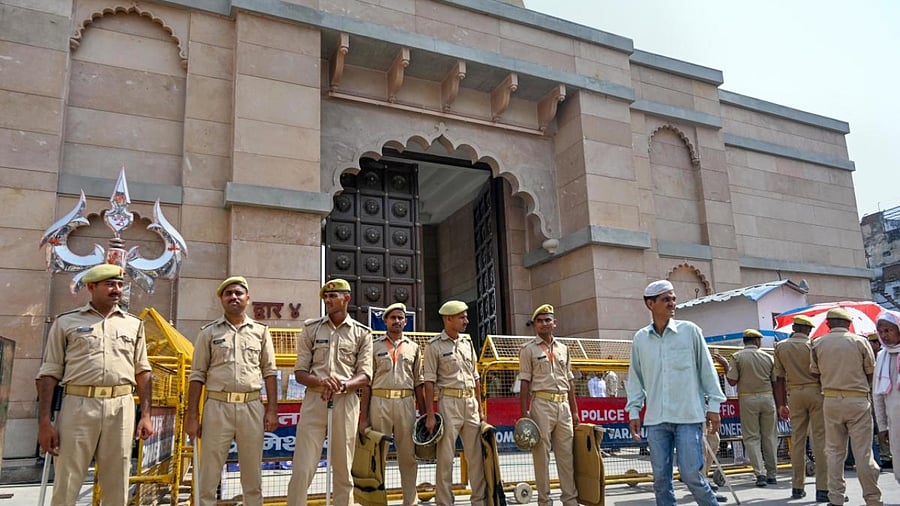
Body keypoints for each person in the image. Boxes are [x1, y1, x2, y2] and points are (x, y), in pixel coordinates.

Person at [36, 263, 154, 506]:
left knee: (117, 481)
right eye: (110, 284)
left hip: (121, 406)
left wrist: (146, 415)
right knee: (67, 479)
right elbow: (49, 373)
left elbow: (143, 371)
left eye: (120, 285)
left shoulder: (133, 324)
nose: (117, 289)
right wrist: (44, 422)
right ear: (91, 286)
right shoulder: (66, 323)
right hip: (78, 405)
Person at [626, 280, 726, 506]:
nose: (672, 303)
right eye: (665, 299)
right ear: (650, 304)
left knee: (692, 475)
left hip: (688, 417)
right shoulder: (640, 339)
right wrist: (634, 410)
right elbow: (635, 378)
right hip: (656, 421)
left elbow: (707, 371)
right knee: (661, 480)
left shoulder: (690, 332)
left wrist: (714, 408)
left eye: (673, 298)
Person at [184, 276, 279, 506]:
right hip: (217, 407)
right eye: (228, 294)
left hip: (251, 406)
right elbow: (197, 376)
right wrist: (192, 415)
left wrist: (272, 410)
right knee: (209, 472)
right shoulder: (208, 333)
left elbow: (270, 372)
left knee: (252, 472)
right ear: (221, 299)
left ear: (248, 298)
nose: (233, 297)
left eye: (238, 293)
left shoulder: (261, 332)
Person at [287, 279, 373, 506]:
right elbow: (300, 372)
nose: (327, 300)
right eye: (325, 296)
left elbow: (365, 375)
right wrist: (321, 381)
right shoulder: (311, 328)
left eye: (333, 296)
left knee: (344, 469)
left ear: (347, 298)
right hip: (315, 400)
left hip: (346, 402)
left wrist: (342, 385)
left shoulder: (362, 333)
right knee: (302, 467)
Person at [810, 308, 882, 506]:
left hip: (831, 400)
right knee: (863, 453)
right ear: (849, 324)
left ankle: (836, 498)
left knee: (834, 452)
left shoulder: (817, 343)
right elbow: (871, 373)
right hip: (858, 400)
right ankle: (873, 499)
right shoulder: (860, 341)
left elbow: (815, 374)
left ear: (828, 324)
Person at [358, 302, 425, 506]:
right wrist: (363, 417)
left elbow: (419, 382)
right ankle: (377, 501)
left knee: (408, 456)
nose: (396, 321)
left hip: (406, 403)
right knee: (378, 456)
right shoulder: (374, 346)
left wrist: (423, 414)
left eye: (400, 318)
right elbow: (367, 384)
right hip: (380, 402)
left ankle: (410, 501)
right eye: (392, 317)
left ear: (406, 321)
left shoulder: (414, 348)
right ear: (385, 320)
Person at [424, 300, 485, 506]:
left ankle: (479, 500)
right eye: (462, 317)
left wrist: (480, 407)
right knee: (445, 457)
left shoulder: (467, 343)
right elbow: (429, 382)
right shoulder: (434, 346)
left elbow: (476, 378)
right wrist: (431, 415)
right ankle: (444, 501)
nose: (466, 321)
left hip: (470, 404)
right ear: (448, 319)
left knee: (475, 456)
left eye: (466, 316)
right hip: (448, 403)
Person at [518, 304, 579, 506]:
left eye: (548, 320)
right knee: (541, 456)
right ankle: (544, 500)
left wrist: (575, 410)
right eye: (540, 320)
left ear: (555, 323)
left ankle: (570, 500)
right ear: (534, 325)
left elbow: (570, 381)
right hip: (541, 404)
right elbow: (524, 382)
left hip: (563, 406)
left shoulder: (564, 349)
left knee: (566, 456)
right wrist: (524, 412)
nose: (544, 323)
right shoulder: (528, 350)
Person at [774, 314, 828, 501]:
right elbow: (821, 373)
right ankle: (823, 489)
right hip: (815, 392)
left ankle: (797, 487)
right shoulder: (814, 345)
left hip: (794, 394)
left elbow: (779, 378)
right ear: (808, 330)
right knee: (820, 440)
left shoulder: (780, 347)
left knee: (797, 441)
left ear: (794, 328)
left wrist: (781, 404)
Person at [726, 329, 777, 488]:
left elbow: (732, 381)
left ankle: (760, 473)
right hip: (768, 398)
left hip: (748, 398)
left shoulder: (737, 357)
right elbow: (775, 381)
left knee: (752, 437)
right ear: (757, 341)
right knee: (769, 437)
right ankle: (772, 474)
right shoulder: (769, 357)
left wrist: (726, 366)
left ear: (744, 341)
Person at [873, 309, 900, 486]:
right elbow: (878, 396)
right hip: (895, 421)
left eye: (888, 330)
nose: (884, 335)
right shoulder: (882, 357)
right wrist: (882, 426)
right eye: (881, 331)